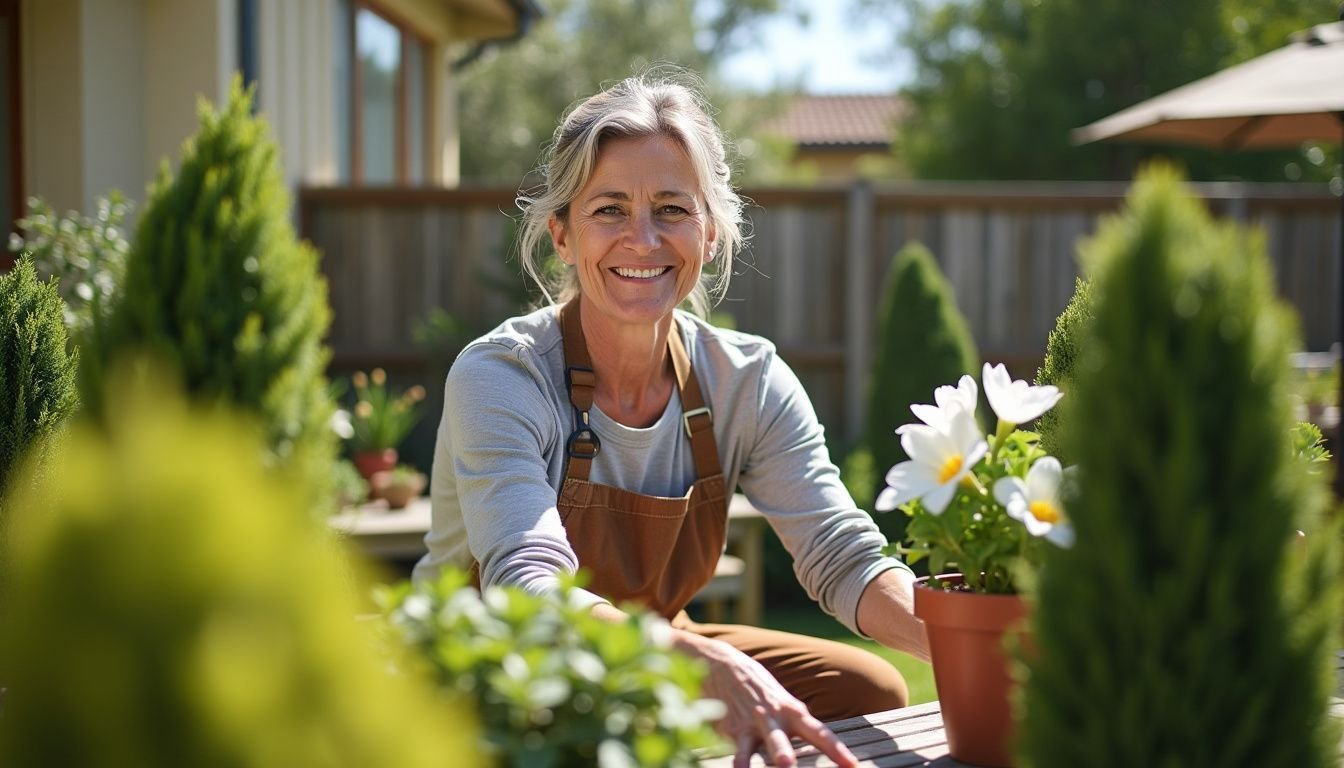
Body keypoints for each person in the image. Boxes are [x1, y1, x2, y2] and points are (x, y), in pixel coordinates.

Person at [412, 71, 930, 768]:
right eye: (609, 210)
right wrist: (690, 655)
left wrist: (974, 643)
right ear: (562, 235)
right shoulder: (502, 376)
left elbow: (841, 556)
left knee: (868, 687)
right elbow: (524, 582)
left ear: (710, 233)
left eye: (671, 209)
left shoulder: (748, 380)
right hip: (500, 670)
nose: (643, 239)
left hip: (658, 649)